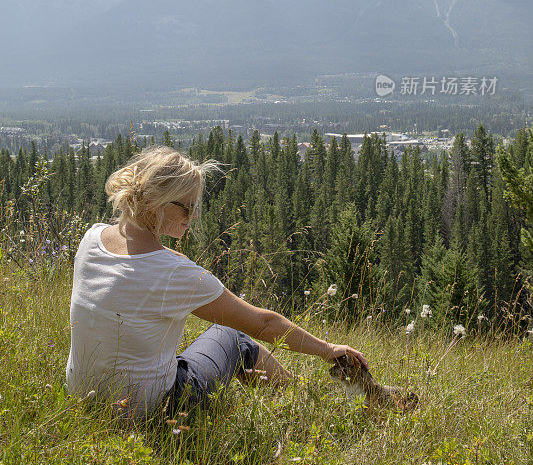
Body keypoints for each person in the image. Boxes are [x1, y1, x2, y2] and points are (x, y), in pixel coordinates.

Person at [66, 145, 368, 420]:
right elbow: (263, 324)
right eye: (186, 207)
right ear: (156, 203)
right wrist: (329, 349)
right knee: (234, 337)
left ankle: (302, 406)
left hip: (83, 402)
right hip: (152, 410)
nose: (193, 216)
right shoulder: (177, 274)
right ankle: (306, 411)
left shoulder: (92, 238)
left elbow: (142, 261)